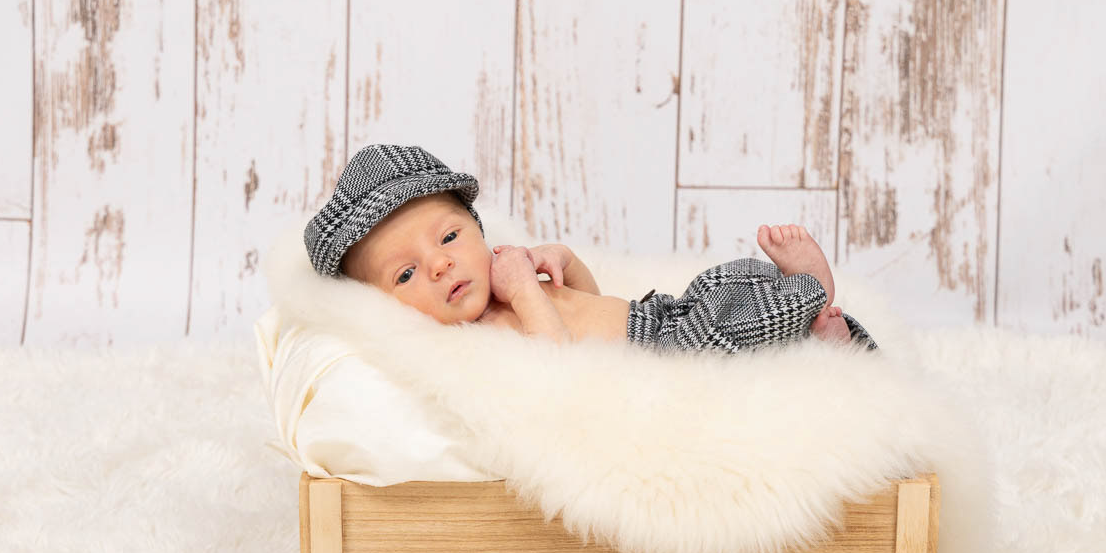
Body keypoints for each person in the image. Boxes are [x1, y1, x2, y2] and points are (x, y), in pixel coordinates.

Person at [304, 144, 876, 352]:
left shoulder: (502, 283)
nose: (438, 265)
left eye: (449, 237)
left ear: (479, 232)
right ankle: (813, 298)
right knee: (727, 340)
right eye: (405, 275)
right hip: (658, 354)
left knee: (727, 287)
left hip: (655, 316)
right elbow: (561, 365)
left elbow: (593, 306)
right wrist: (524, 292)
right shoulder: (481, 335)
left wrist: (566, 264)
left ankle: (808, 321)